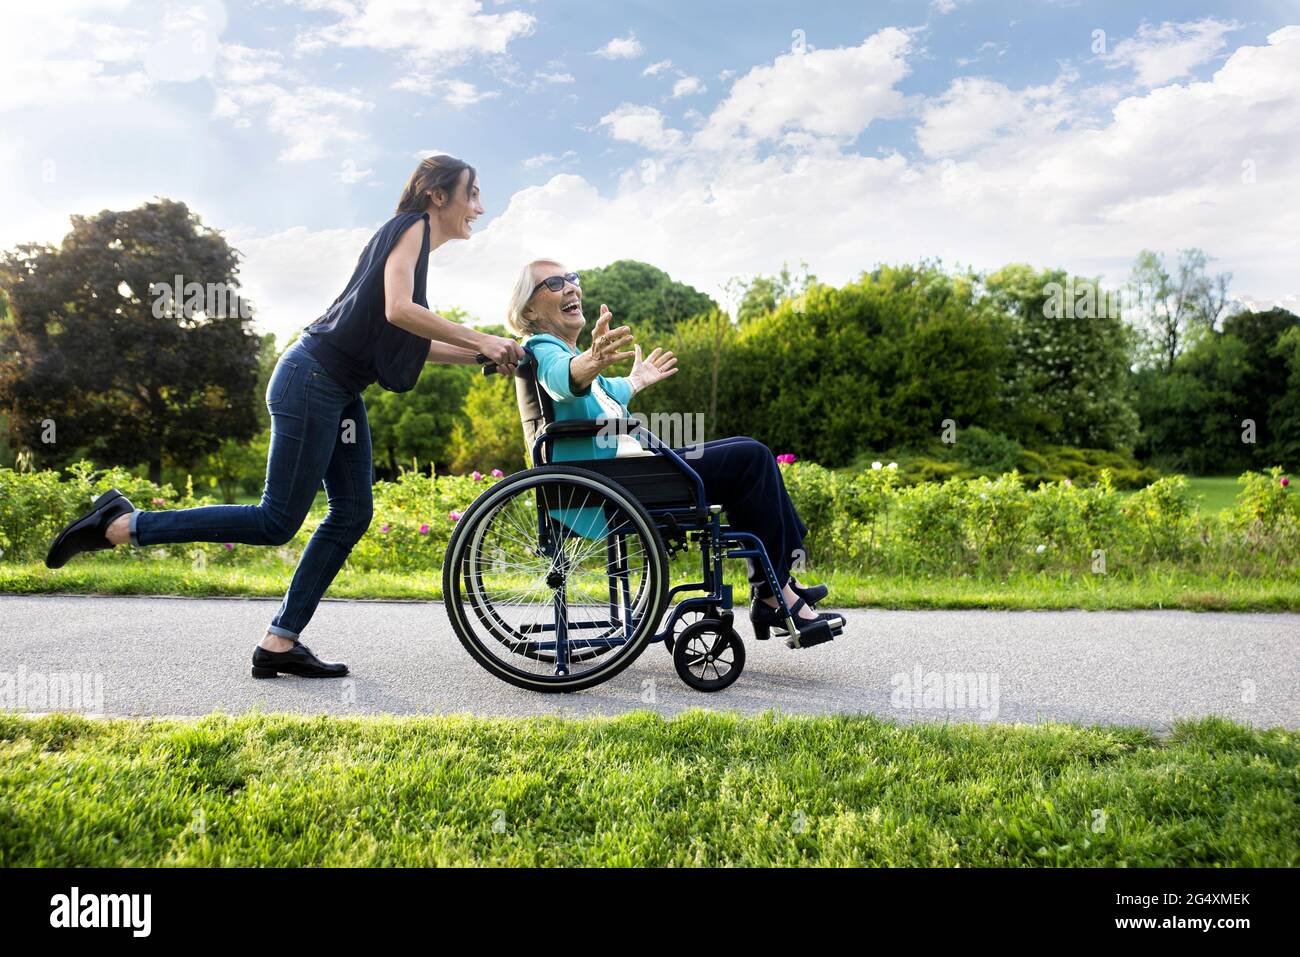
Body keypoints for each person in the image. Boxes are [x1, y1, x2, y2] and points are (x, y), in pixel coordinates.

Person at [44, 154, 525, 678]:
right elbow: (399, 311)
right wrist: (482, 338)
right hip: (312, 380)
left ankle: (279, 643)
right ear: (438, 195)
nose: (478, 207)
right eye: (471, 193)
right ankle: (122, 525)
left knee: (352, 512)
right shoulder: (410, 226)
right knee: (276, 521)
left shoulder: (411, 246)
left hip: (336, 388)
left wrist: (484, 354)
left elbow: (409, 336)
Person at [504, 259, 843, 647]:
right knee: (751, 458)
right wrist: (592, 361)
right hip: (613, 483)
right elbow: (565, 381)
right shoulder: (542, 349)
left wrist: (636, 379)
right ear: (529, 309)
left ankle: (778, 584)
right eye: (553, 282)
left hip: (622, 474)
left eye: (572, 278)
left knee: (750, 454)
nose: (570, 287)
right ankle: (774, 592)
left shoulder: (568, 351)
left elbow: (602, 393)